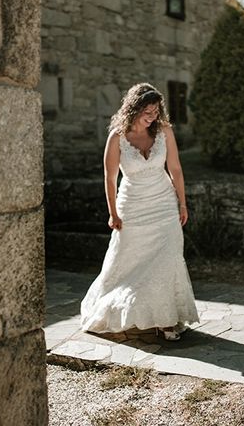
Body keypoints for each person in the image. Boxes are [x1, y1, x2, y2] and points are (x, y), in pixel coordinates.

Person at [80, 83, 199, 341]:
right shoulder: (117, 138)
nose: (152, 116)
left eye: (156, 110)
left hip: (164, 204)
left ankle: (167, 321)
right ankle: (127, 311)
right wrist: (113, 213)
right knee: (128, 265)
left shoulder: (164, 131)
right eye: (147, 110)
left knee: (168, 259)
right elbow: (110, 179)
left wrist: (182, 202)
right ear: (133, 108)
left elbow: (175, 169)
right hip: (132, 208)